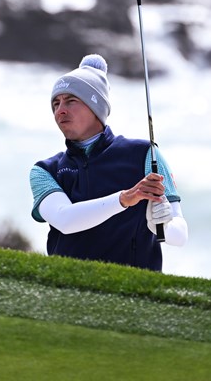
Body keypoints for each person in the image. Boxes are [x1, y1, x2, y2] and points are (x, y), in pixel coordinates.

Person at [29, 54, 187, 271]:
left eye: (71, 100)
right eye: (56, 103)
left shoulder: (145, 154)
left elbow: (179, 235)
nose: (60, 110)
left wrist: (161, 226)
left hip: (136, 291)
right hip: (66, 292)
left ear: (95, 106)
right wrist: (125, 198)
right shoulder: (45, 171)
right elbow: (64, 220)